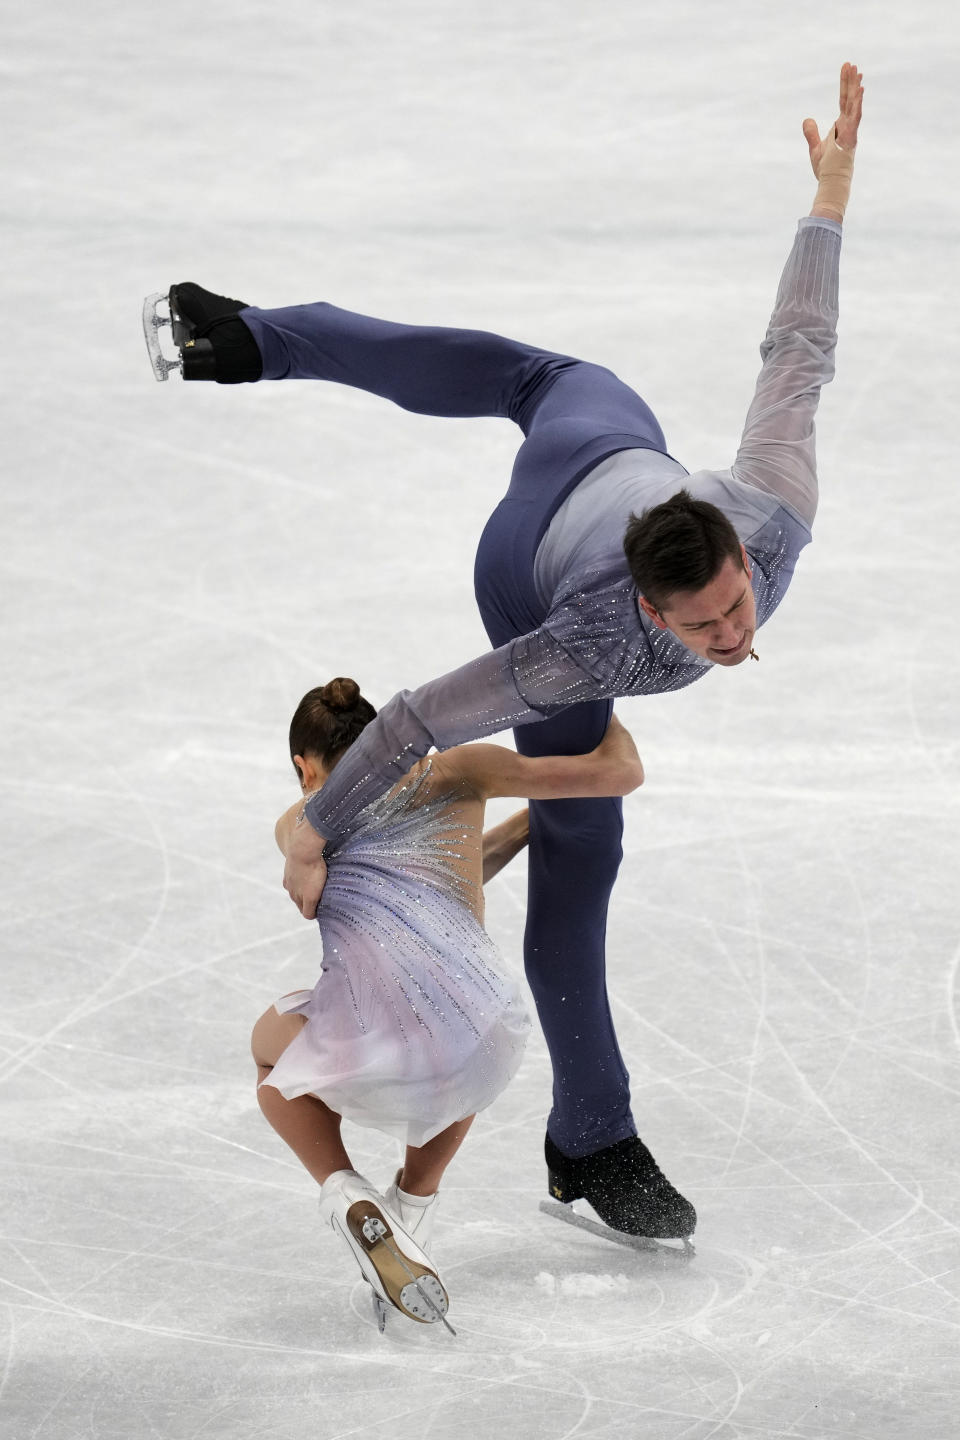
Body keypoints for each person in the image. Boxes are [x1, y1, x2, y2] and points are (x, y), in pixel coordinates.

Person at [150, 64, 863, 1240]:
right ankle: (592, 1137)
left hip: (611, 438)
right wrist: (310, 835)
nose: (740, 638)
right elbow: (420, 718)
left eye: (740, 607)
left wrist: (826, 201)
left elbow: (800, 346)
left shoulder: (770, 504)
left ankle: (250, 338)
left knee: (561, 377)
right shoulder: (571, 651)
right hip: (532, 549)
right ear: (650, 612)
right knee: (587, 839)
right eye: (707, 629)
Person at [252, 676, 645, 1328]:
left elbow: (390, 888)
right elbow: (619, 774)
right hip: (484, 1039)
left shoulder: (299, 827)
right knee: (458, 1026)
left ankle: (347, 1191)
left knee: (273, 1071)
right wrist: (601, 709)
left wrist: (520, 832)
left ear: (303, 765)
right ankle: (411, 1208)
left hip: (370, 1040)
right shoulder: (457, 772)